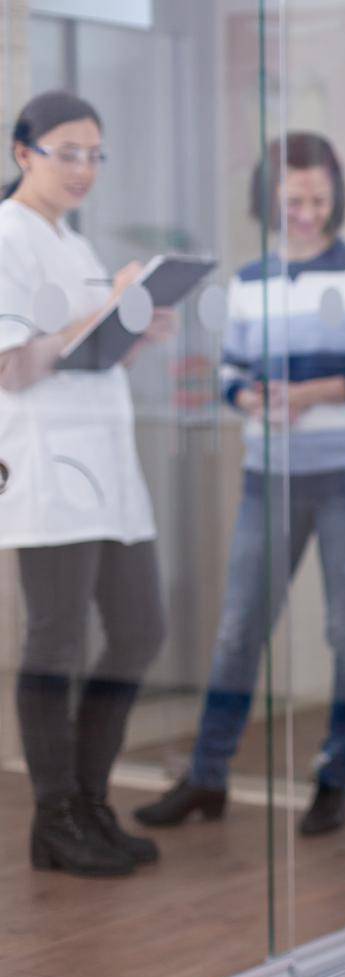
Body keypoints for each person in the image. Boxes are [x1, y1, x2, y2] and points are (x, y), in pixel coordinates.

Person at [135, 132, 345, 836]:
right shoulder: (249, 283)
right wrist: (250, 398)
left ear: (334, 194)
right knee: (238, 630)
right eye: (293, 199)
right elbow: (227, 376)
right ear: (269, 198)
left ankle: (334, 779)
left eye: (317, 197)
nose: (306, 211)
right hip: (266, 478)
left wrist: (313, 394)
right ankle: (207, 774)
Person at [0, 90, 175, 877]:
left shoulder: (71, 240)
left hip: (107, 465)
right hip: (45, 467)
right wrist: (108, 306)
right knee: (57, 639)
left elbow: (85, 355)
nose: (83, 168)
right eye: (68, 151)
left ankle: (90, 800)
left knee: (140, 628)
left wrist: (133, 327)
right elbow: (15, 364)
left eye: (95, 154)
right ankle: (56, 816)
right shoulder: (6, 236)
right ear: (22, 153)